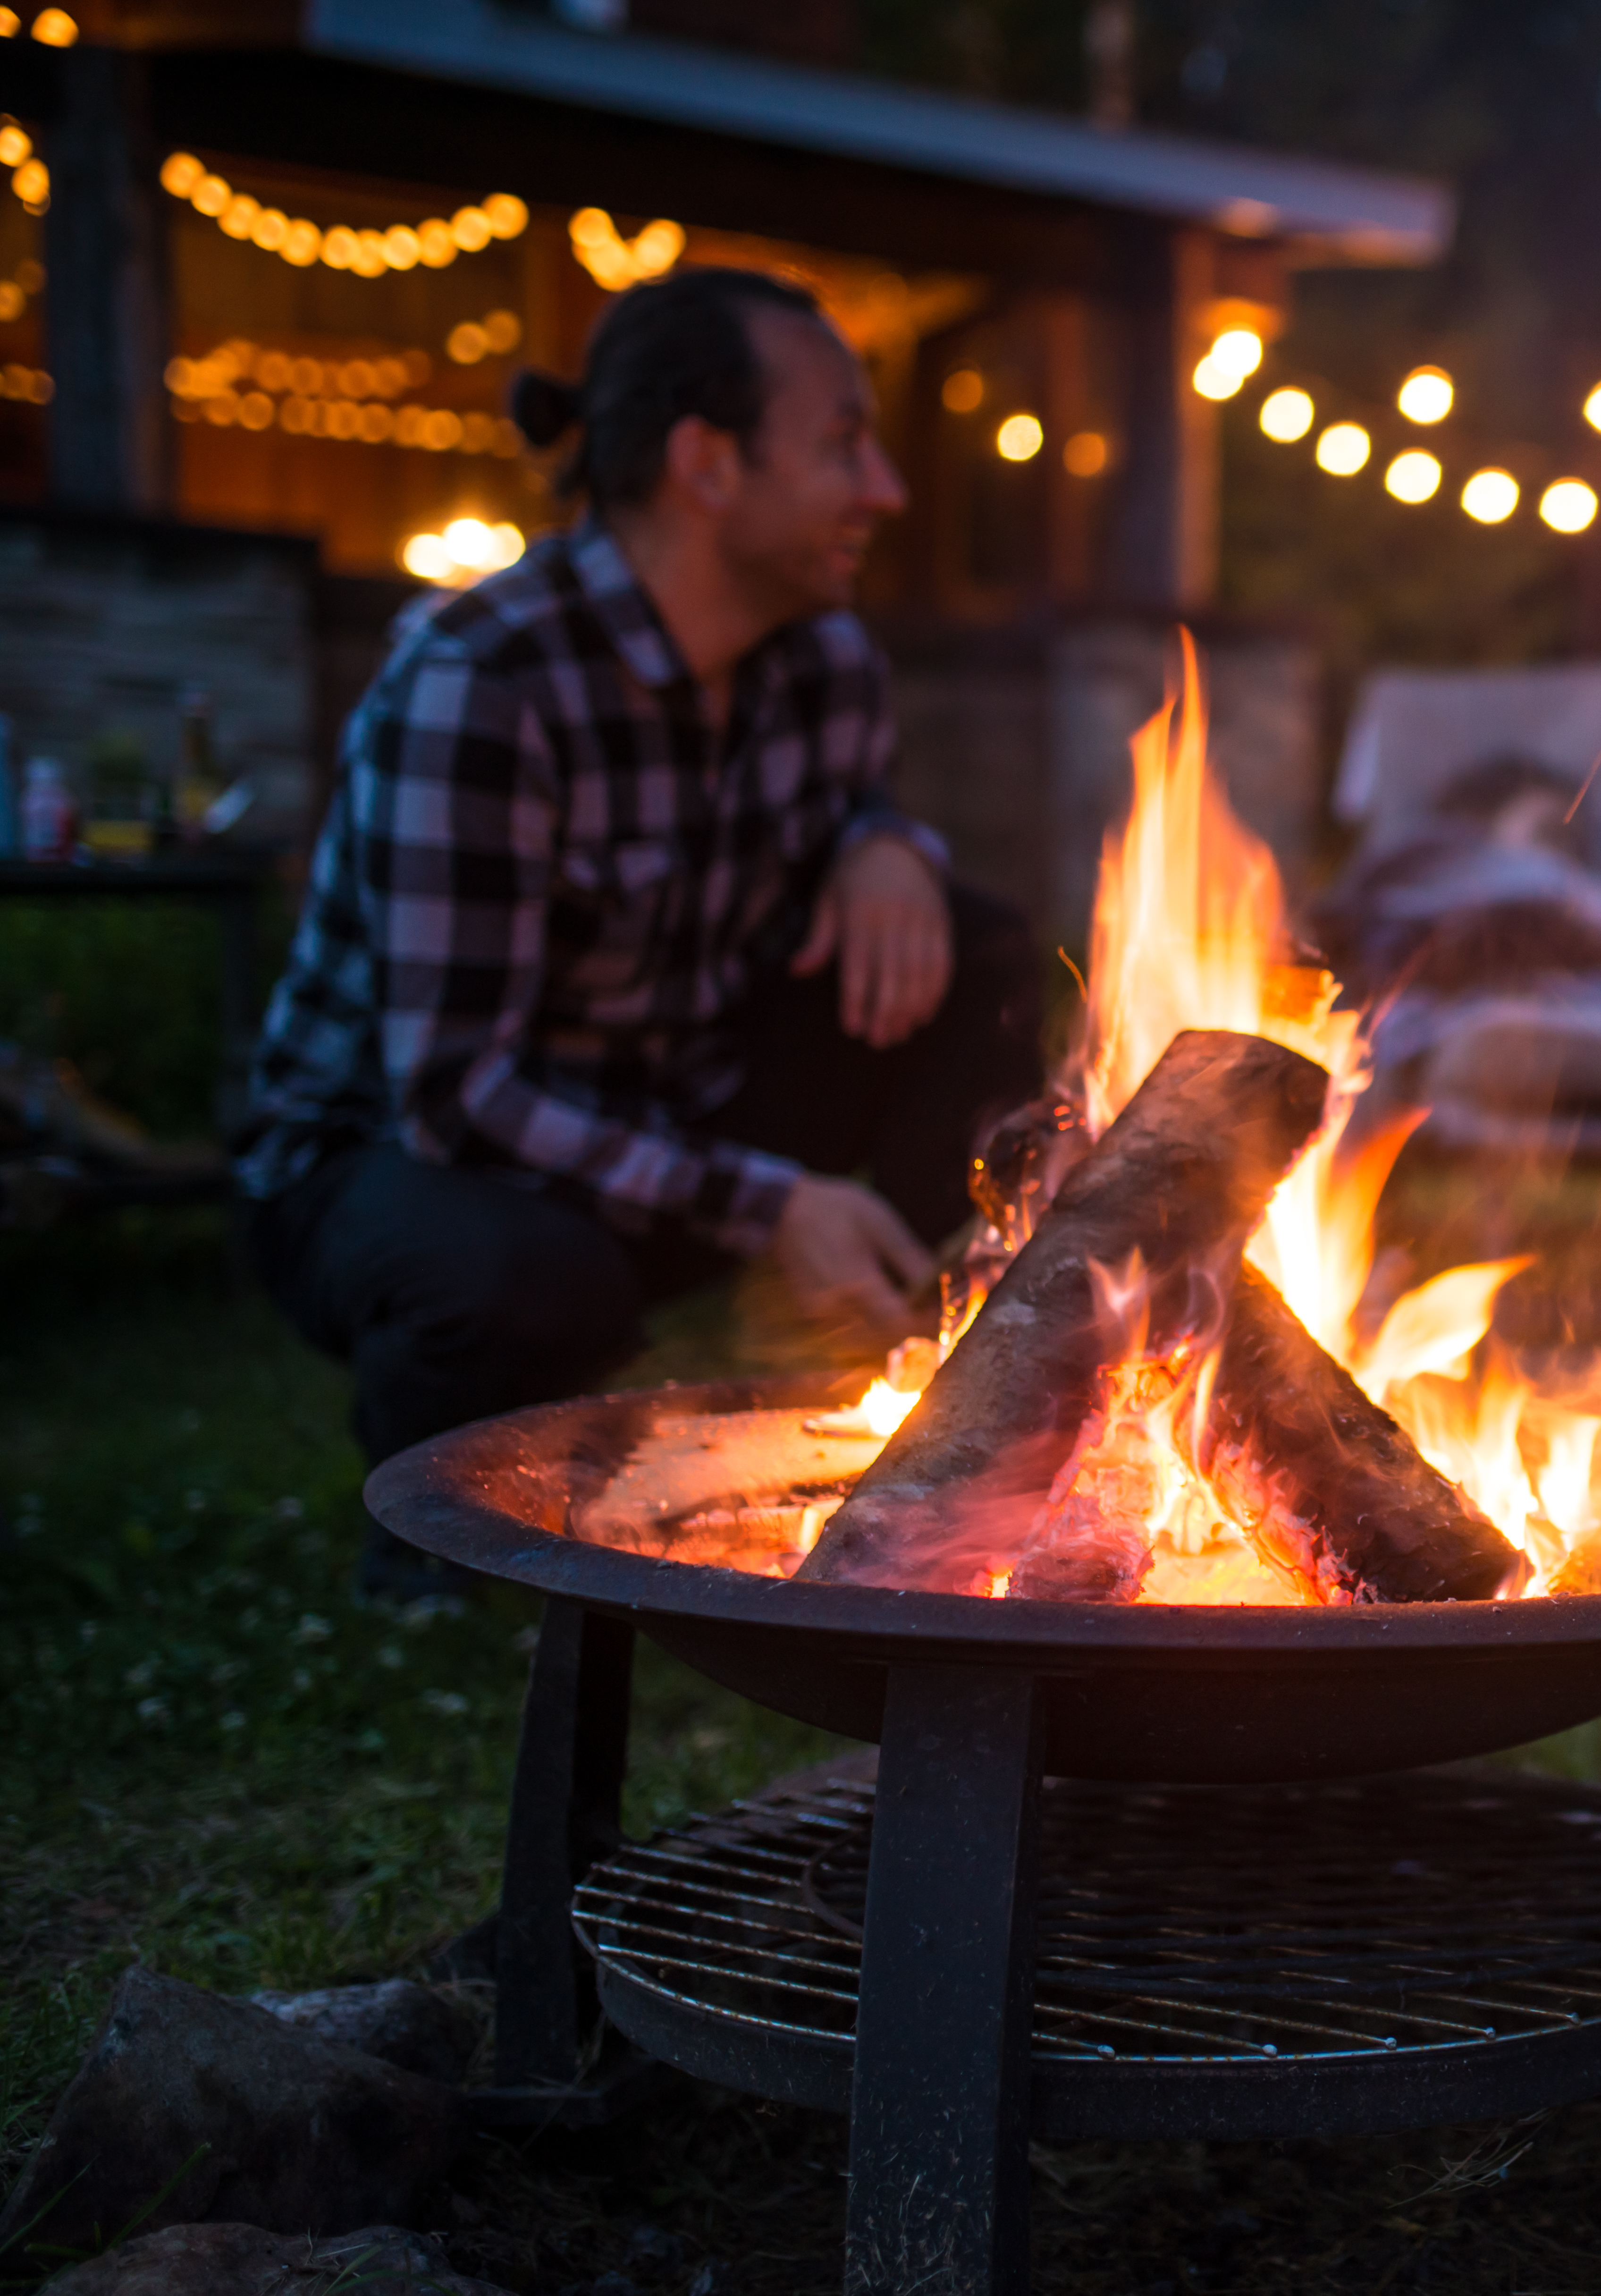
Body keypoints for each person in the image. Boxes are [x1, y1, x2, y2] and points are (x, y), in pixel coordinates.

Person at [238, 269, 1045, 1602]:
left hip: (664, 1112)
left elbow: (853, 815)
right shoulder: (481, 686)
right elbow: (455, 1094)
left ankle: (886, 1381)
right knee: (530, 1276)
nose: (887, 489)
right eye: (845, 443)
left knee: (982, 954)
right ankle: (437, 1533)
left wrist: (887, 844)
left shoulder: (825, 663)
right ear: (706, 466)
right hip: (390, 1160)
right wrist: (770, 1199)